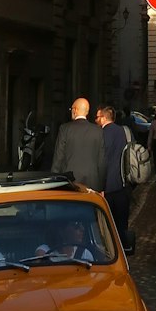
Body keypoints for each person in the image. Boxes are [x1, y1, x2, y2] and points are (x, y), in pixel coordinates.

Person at [50, 97, 106, 190]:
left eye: (71, 109)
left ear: (75, 110)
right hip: (93, 183)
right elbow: (102, 161)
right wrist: (101, 187)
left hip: (70, 181)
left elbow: (58, 158)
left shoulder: (65, 129)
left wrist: (53, 182)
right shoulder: (98, 131)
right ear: (87, 112)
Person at [96, 104, 129, 238]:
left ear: (103, 118)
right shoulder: (122, 130)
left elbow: (103, 159)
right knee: (121, 223)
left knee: (107, 223)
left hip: (107, 185)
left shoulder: (103, 133)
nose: (96, 120)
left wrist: (100, 185)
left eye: (97, 117)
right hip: (121, 182)